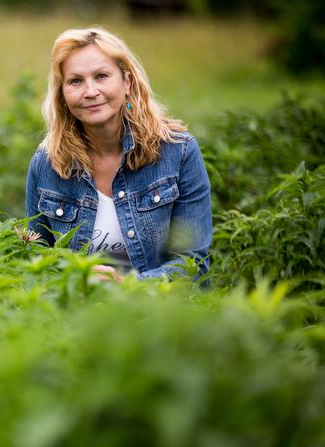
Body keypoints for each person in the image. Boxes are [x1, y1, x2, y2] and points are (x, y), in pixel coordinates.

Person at [25, 27, 212, 281]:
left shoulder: (178, 152)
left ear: (127, 82)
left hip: (162, 314)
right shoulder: (46, 165)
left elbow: (193, 262)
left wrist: (128, 285)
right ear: (63, 94)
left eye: (101, 76)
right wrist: (72, 279)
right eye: (75, 81)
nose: (90, 91)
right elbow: (35, 258)